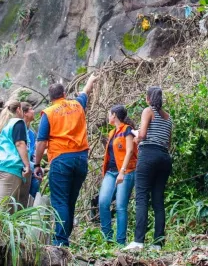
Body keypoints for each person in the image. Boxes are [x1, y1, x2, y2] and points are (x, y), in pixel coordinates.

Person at [34, 73, 98, 246]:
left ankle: (61, 242)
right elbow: (86, 92)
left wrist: (37, 163)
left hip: (61, 159)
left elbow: (41, 142)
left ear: (50, 97)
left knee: (60, 201)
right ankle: (64, 239)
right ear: (64, 93)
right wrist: (91, 79)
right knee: (70, 200)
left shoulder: (48, 113)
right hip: (81, 159)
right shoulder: (76, 105)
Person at [124, 86, 173, 252]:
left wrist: (134, 133)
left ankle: (138, 241)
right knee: (158, 200)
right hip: (164, 157)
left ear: (148, 99)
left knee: (142, 197)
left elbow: (143, 135)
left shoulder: (148, 111)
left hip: (148, 156)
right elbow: (168, 143)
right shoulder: (168, 117)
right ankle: (157, 243)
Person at [99, 105, 138, 245]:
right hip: (111, 171)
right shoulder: (112, 133)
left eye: (109, 114)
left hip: (126, 171)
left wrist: (122, 171)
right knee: (103, 202)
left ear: (114, 115)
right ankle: (107, 238)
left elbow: (129, 151)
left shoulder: (127, 130)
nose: (108, 116)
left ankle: (120, 242)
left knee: (121, 206)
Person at [0, 101, 32, 212]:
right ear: (18, 109)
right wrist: (27, 165)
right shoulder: (17, 123)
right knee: (1, 207)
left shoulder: (3, 125)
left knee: (10, 208)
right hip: (9, 168)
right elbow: (20, 143)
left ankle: (3, 229)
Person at [23, 103, 41, 201]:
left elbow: (33, 152)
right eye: (31, 109)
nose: (34, 111)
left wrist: (36, 166)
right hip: (19, 163)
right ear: (25, 113)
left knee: (37, 176)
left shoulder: (31, 133)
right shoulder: (18, 129)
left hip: (29, 164)